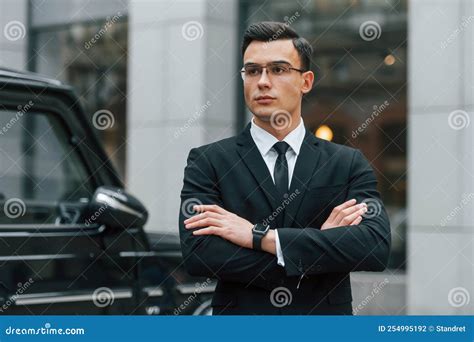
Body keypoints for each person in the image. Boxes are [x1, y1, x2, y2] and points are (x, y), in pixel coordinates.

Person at [179, 21, 391, 315]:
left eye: (278, 70)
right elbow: (200, 255)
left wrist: (259, 237)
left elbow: (374, 247)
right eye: (252, 71)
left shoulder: (346, 163)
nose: (263, 81)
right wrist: (319, 249)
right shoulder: (209, 161)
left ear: (306, 81)